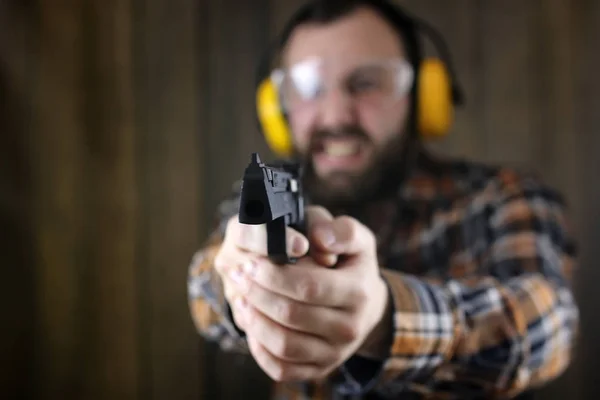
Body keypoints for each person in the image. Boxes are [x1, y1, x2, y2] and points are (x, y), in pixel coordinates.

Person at [187, 0, 580, 398]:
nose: (336, 116)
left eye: (367, 83)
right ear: (277, 108)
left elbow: (548, 327)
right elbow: (205, 287)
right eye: (308, 88)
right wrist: (244, 286)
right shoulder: (272, 191)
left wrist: (384, 318)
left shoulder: (501, 198)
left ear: (425, 99)